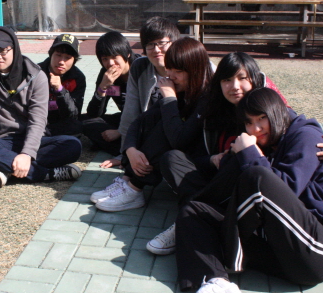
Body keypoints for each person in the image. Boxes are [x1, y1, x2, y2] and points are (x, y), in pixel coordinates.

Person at [174, 87, 323, 293]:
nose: (256, 129)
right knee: (194, 211)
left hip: (318, 254)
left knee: (256, 176)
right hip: (281, 252)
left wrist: (250, 153)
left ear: (278, 113)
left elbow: (285, 189)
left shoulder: (306, 137)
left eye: (262, 118)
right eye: (249, 122)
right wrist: (239, 154)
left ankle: (218, 246)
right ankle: (217, 284)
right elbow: (229, 181)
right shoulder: (267, 143)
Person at [147, 52, 323, 255]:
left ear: (254, 79)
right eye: (227, 80)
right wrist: (212, 159)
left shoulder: (268, 111)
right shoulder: (212, 109)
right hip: (217, 177)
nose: (234, 86)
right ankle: (200, 214)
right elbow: (186, 144)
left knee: (237, 163)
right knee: (172, 159)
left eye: (242, 78)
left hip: (250, 185)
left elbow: (298, 136)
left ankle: (190, 220)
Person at [92, 37, 213, 212]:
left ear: (195, 71)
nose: (171, 76)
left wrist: (169, 99)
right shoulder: (180, 88)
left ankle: (134, 187)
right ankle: (128, 180)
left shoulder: (207, 97)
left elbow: (179, 139)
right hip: (176, 153)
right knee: (151, 120)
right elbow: (141, 120)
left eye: (178, 71)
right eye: (169, 69)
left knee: (165, 127)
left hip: (203, 164)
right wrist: (130, 150)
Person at [0, 27, 82, 187]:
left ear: (14, 48)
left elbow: (38, 119)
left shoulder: (36, 76)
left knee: (73, 145)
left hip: (31, 138)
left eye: (3, 50)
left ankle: (5, 166)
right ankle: (46, 174)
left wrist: (27, 153)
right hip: (0, 140)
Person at [82, 31, 138, 159]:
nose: (110, 63)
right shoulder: (106, 74)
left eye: (114, 57)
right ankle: (124, 145)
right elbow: (94, 113)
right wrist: (103, 87)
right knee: (86, 122)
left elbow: (147, 110)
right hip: (124, 117)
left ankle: (125, 149)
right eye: (105, 59)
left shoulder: (140, 68)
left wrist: (120, 131)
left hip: (142, 121)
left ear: (127, 54)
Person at [38, 34, 86, 136]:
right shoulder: (36, 72)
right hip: (37, 120)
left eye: (67, 58)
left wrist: (60, 90)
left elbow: (74, 113)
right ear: (51, 54)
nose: (61, 62)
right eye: (58, 55)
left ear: (74, 60)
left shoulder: (78, 78)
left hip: (60, 121)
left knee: (77, 126)